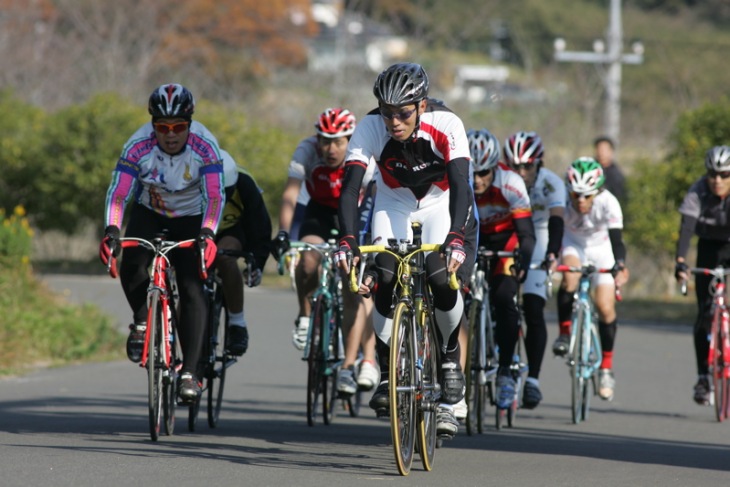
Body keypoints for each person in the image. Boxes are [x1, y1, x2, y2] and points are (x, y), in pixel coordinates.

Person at [335, 62, 478, 438]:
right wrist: (348, 239)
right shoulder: (369, 128)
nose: (394, 121)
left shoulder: (447, 124)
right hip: (393, 202)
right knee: (383, 275)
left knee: (440, 277)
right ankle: (387, 372)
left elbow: (462, 185)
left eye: (403, 113)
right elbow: (350, 188)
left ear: (422, 105)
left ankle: (449, 359)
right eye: (387, 112)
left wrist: (457, 237)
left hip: (439, 202)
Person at [98, 83, 225, 403]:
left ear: (189, 124)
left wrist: (208, 233)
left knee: (192, 285)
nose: (170, 134)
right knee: (132, 262)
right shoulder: (138, 145)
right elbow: (119, 192)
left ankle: (190, 373)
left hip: (191, 217)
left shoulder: (205, 146)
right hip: (149, 212)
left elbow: (214, 196)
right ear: (153, 125)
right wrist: (112, 230)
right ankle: (142, 320)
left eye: (179, 126)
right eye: (162, 127)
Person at [271, 108, 379, 393]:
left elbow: (372, 200)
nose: (330, 149)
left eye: (338, 142)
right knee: (307, 261)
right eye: (324, 141)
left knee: (352, 287)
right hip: (319, 211)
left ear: (350, 140)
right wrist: (283, 233)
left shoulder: (362, 156)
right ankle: (306, 315)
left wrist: (361, 240)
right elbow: (291, 194)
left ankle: (355, 363)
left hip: (355, 213)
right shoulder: (307, 150)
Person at [466, 128, 536, 412]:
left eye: (484, 172)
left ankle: (506, 370)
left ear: (495, 167)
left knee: (505, 298)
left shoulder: (511, 183)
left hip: (506, 240)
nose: (478, 180)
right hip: (473, 238)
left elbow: (527, 234)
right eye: (473, 172)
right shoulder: (457, 181)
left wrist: (523, 262)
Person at [552, 157, 629, 401]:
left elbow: (617, 241)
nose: (581, 201)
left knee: (606, 307)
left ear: (598, 191)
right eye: (576, 195)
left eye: (587, 195)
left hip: (602, 249)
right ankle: (565, 333)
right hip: (574, 245)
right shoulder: (562, 200)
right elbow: (554, 233)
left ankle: (606, 367)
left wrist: (620, 266)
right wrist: (552, 257)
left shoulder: (609, 203)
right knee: (569, 280)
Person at [503, 130, 564, 409]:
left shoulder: (551, 183)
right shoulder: (501, 179)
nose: (520, 172)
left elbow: (556, 221)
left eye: (527, 166)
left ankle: (533, 381)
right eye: (515, 166)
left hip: (538, 236)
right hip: (508, 233)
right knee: (500, 301)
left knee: (533, 308)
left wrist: (553, 252)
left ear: (538, 164)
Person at [675, 146, 730, 405]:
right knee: (704, 314)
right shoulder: (698, 190)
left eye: (724, 174)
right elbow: (686, 227)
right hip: (708, 247)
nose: (717, 180)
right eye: (712, 174)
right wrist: (681, 262)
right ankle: (702, 378)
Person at [216, 149, 273, 356]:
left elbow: (261, 228)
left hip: (232, 229)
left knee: (225, 256)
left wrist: (257, 263)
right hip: (196, 226)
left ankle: (237, 323)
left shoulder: (244, 183)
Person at [594, 136, 626, 202]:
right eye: (599, 149)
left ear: (611, 151)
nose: (601, 152)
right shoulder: (590, 170)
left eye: (604, 149)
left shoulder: (616, 175)